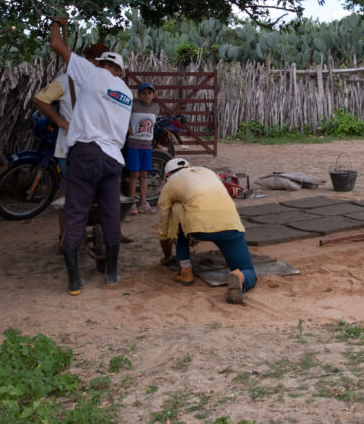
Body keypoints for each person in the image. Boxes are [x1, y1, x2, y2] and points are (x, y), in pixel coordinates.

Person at [49, 16, 133, 295]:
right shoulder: (126, 93)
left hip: (84, 153)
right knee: (110, 215)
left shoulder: (93, 73)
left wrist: (57, 22)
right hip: (112, 159)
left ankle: (74, 281)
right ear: (119, 71)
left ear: (102, 65)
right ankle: (111, 273)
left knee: (75, 215)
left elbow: (56, 44)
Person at [32, 42, 108, 245]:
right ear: (89, 61)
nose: (100, 67)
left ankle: (94, 234)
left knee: (97, 191)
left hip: (97, 146)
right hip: (70, 147)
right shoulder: (67, 81)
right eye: (99, 62)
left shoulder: (105, 83)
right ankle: (67, 236)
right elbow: (40, 99)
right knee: (71, 192)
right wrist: (59, 121)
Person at [156, 158, 257, 304]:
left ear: (168, 176)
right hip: (231, 224)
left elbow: (164, 223)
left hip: (199, 227)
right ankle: (240, 277)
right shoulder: (208, 172)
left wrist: (167, 255)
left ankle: (185, 271)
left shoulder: (170, 184)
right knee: (247, 269)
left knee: (176, 209)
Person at [126, 82, 159, 215]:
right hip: (134, 145)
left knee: (144, 175)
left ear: (153, 95)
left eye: (149, 93)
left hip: (147, 146)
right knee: (134, 174)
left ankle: (143, 202)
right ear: (138, 95)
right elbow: (124, 119)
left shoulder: (156, 108)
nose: (146, 96)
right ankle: (132, 202)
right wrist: (129, 130)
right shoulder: (133, 107)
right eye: (143, 93)